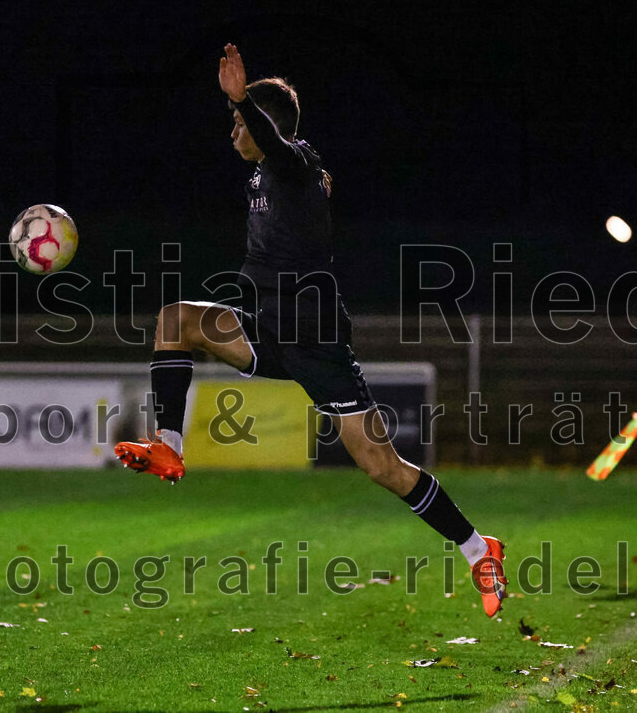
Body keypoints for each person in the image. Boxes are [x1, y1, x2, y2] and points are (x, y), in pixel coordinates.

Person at [115, 44, 507, 617]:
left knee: (381, 467)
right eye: (231, 120)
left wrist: (242, 98)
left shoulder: (294, 162)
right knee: (176, 319)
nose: (233, 131)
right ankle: (169, 448)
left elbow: (277, 145)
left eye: (238, 122)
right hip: (270, 330)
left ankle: (479, 549)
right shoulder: (269, 175)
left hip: (318, 343)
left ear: (264, 123)